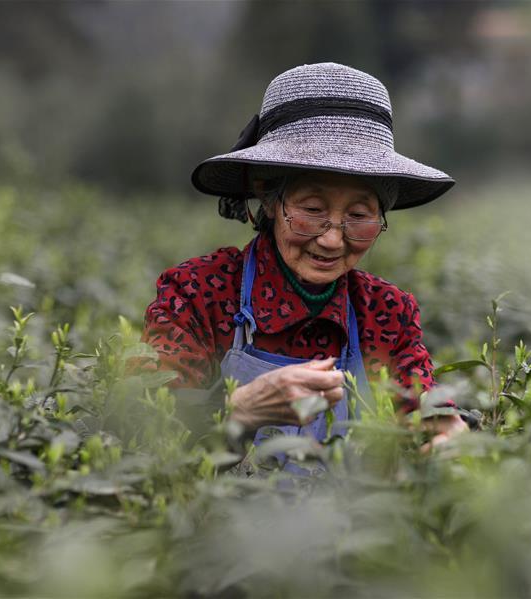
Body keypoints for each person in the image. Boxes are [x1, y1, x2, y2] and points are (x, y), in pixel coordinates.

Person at [143, 63, 467, 455]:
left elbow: (424, 409)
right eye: (312, 209)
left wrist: (444, 432)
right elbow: (143, 425)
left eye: (359, 215)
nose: (332, 239)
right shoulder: (198, 293)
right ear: (268, 197)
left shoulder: (385, 312)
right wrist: (236, 409)